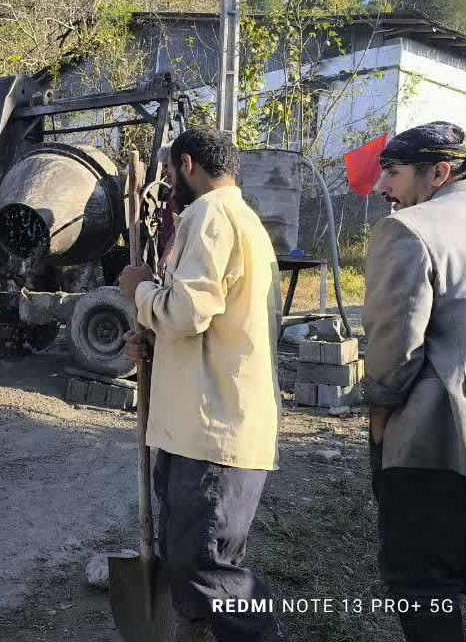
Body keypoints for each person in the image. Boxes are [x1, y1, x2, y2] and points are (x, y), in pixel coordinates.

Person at [118, 126, 284, 642]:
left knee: (208, 572)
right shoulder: (245, 221)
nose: (169, 186)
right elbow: (209, 323)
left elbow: (187, 312)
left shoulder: (210, 216)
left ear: (186, 165)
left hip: (211, 433)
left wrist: (139, 289)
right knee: (196, 566)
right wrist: (152, 342)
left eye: (170, 174)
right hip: (205, 424)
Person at [363, 121, 466, 641]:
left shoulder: (410, 230)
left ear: (438, 172)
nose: (382, 187)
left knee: (422, 583)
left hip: (438, 442)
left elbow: (395, 347)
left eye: (391, 172)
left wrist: (379, 416)